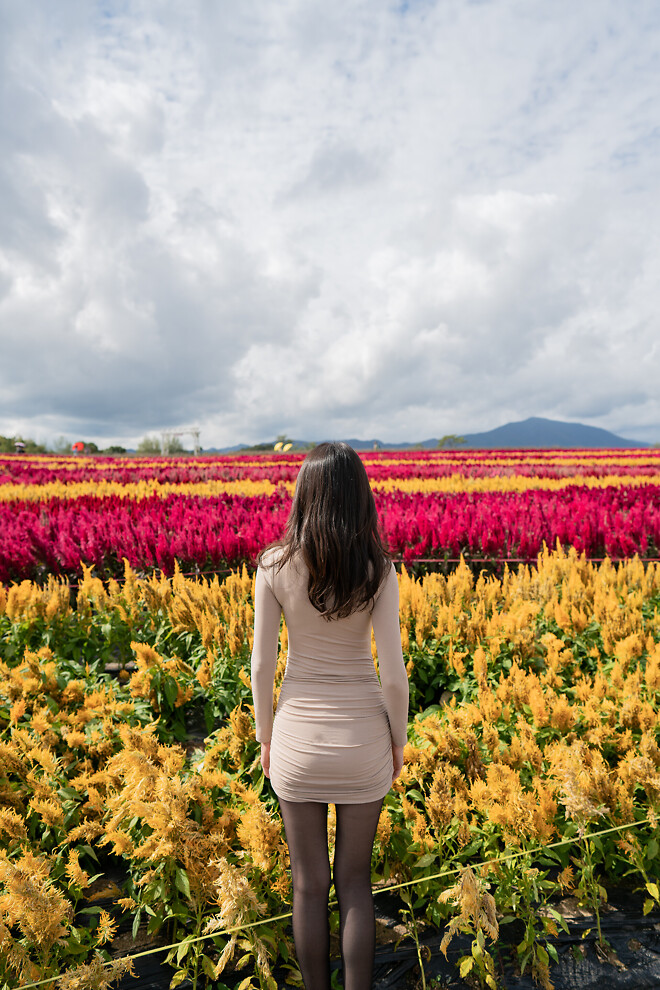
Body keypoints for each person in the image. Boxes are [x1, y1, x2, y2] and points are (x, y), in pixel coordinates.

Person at [251, 441, 409, 990]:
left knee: (307, 885)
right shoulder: (378, 570)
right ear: (359, 498)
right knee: (356, 885)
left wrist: (266, 740)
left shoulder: (272, 566)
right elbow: (392, 675)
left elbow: (262, 666)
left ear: (305, 496)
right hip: (363, 737)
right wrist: (396, 742)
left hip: (296, 740)